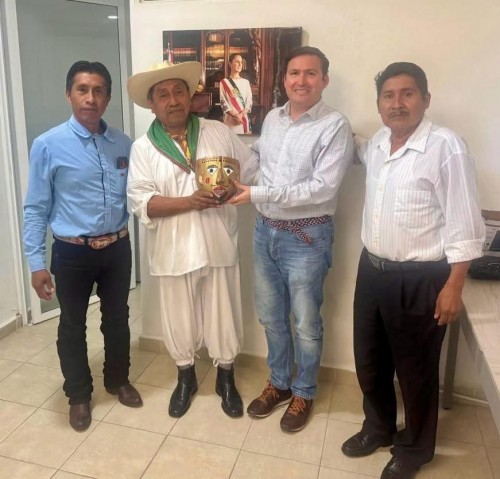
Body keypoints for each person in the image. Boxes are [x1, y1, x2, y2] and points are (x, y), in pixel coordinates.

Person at [341, 62, 485, 479]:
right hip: (372, 271)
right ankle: (379, 427)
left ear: (425, 99)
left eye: (407, 94)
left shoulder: (446, 148)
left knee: (415, 370)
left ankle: (415, 449)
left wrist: (454, 286)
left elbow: (464, 224)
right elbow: (351, 146)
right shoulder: (377, 144)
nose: (397, 103)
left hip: (422, 278)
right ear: (379, 104)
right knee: (369, 360)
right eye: (388, 96)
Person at [229, 46, 354, 432]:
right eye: (294, 73)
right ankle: (280, 383)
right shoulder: (273, 118)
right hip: (265, 231)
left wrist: (255, 193)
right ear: (284, 80)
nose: (301, 80)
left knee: (305, 323)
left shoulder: (335, 126)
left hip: (306, 237)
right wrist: (228, 176)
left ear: (324, 80)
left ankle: (304, 390)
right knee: (270, 317)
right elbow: (259, 159)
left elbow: (322, 188)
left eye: (310, 73)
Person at [126, 61, 255, 419]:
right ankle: (186, 376)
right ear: (152, 104)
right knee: (178, 315)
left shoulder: (217, 132)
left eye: (179, 91)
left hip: (217, 241)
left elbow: (249, 170)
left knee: (224, 311)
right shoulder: (143, 149)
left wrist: (235, 191)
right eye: (163, 95)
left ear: (189, 95)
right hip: (173, 248)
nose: (173, 100)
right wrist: (189, 202)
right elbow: (141, 203)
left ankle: (225, 377)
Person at [23, 60, 143, 432]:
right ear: (69, 94)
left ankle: (117, 379)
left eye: (98, 91)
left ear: (107, 97)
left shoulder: (123, 144)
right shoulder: (48, 144)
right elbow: (36, 207)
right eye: (82, 89)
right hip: (72, 251)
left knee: (117, 318)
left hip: (117, 248)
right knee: (72, 325)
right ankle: (78, 394)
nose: (90, 98)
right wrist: (36, 262)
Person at [220, 53, 252, 134]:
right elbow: (223, 102)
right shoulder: (224, 82)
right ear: (230, 64)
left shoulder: (246, 82)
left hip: (242, 120)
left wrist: (241, 115)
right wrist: (235, 116)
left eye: (241, 62)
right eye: (237, 62)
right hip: (230, 121)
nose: (240, 64)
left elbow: (249, 102)